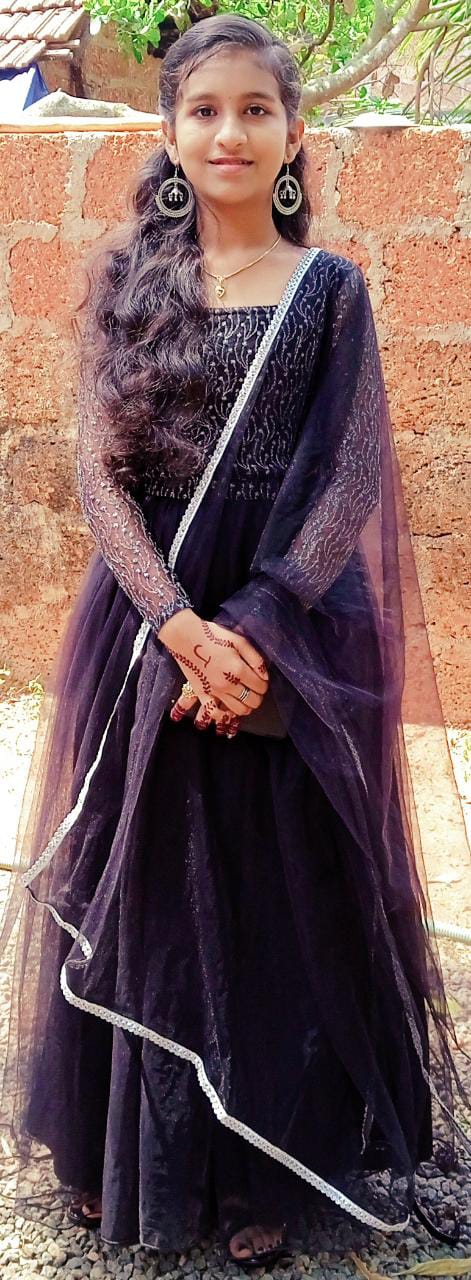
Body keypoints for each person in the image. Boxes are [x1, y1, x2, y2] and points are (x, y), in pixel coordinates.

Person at [1, 11, 470, 1269]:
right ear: (168, 132)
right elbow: (99, 477)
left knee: (276, 889)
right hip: (149, 615)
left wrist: (250, 631)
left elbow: (351, 476)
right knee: (144, 880)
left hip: (290, 624)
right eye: (204, 110)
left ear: (295, 133)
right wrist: (178, 625)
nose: (229, 133)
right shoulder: (129, 283)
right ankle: (131, 1157)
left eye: (255, 110)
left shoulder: (331, 292)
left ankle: (265, 1157)